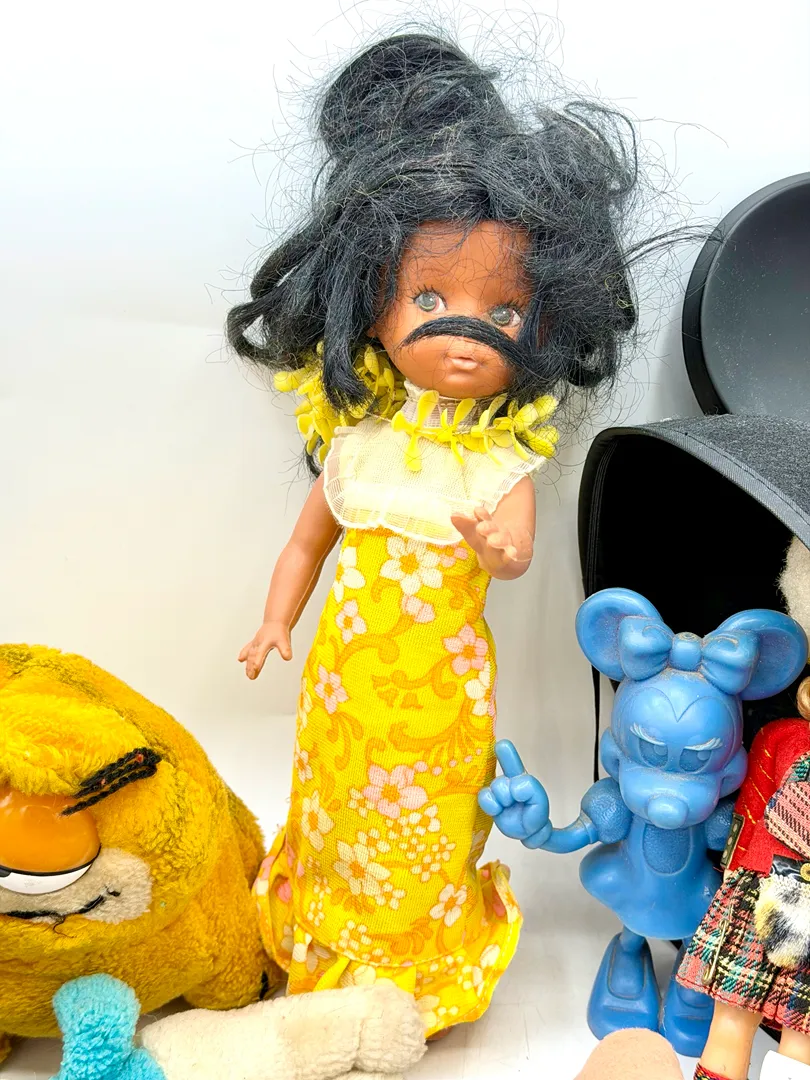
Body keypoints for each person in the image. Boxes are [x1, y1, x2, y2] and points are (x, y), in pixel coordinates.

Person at [231, 32, 648, 1037]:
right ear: (369, 304)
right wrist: (275, 620)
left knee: (425, 820)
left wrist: (496, 548)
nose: (463, 332)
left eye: (503, 311)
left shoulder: (499, 461)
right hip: (343, 688)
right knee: (337, 801)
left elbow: (516, 552)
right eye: (429, 298)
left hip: (440, 700)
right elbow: (307, 543)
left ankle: (412, 962)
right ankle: (334, 940)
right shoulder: (359, 445)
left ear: (545, 328)